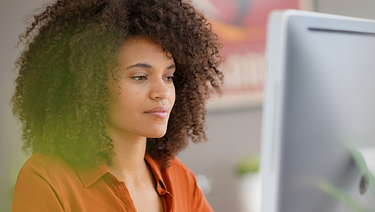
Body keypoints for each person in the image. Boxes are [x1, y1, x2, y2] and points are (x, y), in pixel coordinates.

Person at [11, 0, 223, 211]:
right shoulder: (48, 180)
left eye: (168, 77)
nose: (163, 93)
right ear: (89, 85)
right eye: (140, 77)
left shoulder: (179, 177)